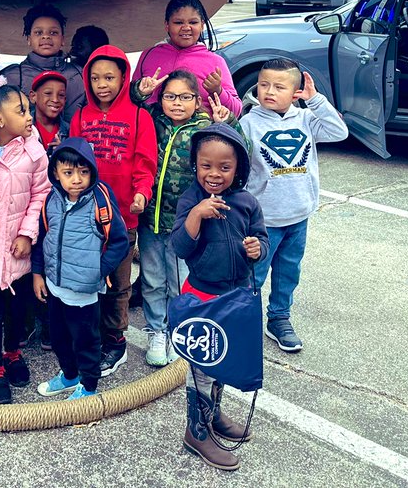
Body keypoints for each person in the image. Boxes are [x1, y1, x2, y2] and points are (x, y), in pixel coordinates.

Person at [209, 58, 348, 353]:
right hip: (263, 220)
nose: (269, 91)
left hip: (299, 215)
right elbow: (234, 163)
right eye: (263, 85)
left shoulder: (307, 120)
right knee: (253, 275)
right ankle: (242, 320)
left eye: (279, 86)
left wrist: (317, 101)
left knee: (288, 272)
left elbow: (340, 132)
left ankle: (279, 318)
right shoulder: (249, 122)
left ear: (296, 92)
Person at [171, 123, 269, 471]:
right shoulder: (189, 200)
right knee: (202, 366)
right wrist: (197, 215)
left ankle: (212, 417)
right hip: (202, 299)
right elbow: (180, 247)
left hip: (234, 298)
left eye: (224, 167)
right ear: (195, 166)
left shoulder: (246, 203)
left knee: (222, 362)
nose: (214, 174)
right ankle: (195, 431)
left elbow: (262, 239)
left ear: (238, 168)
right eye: (206, 166)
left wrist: (257, 248)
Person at [68, 45, 157, 378]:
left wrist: (141, 194)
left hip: (122, 219)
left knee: (119, 283)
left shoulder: (139, 116)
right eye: (94, 77)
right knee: (89, 280)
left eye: (109, 77)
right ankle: (90, 336)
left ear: (124, 77)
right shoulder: (79, 117)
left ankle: (115, 340)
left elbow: (146, 164)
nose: (102, 84)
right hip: (86, 217)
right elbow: (71, 164)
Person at [0, 82, 50, 403]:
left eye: (28, 110)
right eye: (21, 111)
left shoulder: (34, 151)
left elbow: (41, 194)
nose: (30, 116)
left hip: (20, 248)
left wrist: (27, 234)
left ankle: (13, 352)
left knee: (19, 308)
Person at [31, 137, 129, 400]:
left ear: (92, 171)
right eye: (68, 172)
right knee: (60, 338)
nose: (76, 179)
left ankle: (88, 385)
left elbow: (120, 242)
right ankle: (69, 375)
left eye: (83, 172)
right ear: (56, 174)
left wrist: (99, 269)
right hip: (55, 286)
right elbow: (42, 238)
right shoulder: (50, 200)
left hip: (84, 293)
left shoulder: (100, 202)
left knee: (86, 341)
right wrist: (38, 273)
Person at [130, 68, 213, 366]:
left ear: (197, 100)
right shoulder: (152, 118)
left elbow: (239, 150)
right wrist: (141, 90)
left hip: (184, 224)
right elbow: (130, 104)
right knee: (152, 280)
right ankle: (157, 331)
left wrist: (228, 121)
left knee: (178, 282)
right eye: (170, 96)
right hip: (151, 218)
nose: (177, 103)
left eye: (185, 97)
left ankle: (179, 330)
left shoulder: (205, 128)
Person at [136, 0, 244, 117]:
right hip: (152, 134)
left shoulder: (215, 61)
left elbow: (236, 111)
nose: (186, 27)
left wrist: (218, 91)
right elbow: (130, 100)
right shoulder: (149, 56)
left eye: (193, 22)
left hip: (199, 135)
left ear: (202, 25)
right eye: (178, 22)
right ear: (167, 25)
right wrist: (141, 92)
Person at [0, 4, 85, 123]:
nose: (46, 36)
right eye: (38, 33)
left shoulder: (81, 75)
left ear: (63, 39)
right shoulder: (11, 76)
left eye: (53, 33)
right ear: (29, 39)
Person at [30, 71, 68, 152]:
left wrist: (63, 152)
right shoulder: (21, 129)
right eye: (48, 93)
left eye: (61, 95)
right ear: (33, 96)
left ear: (65, 99)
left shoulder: (69, 132)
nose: (55, 99)